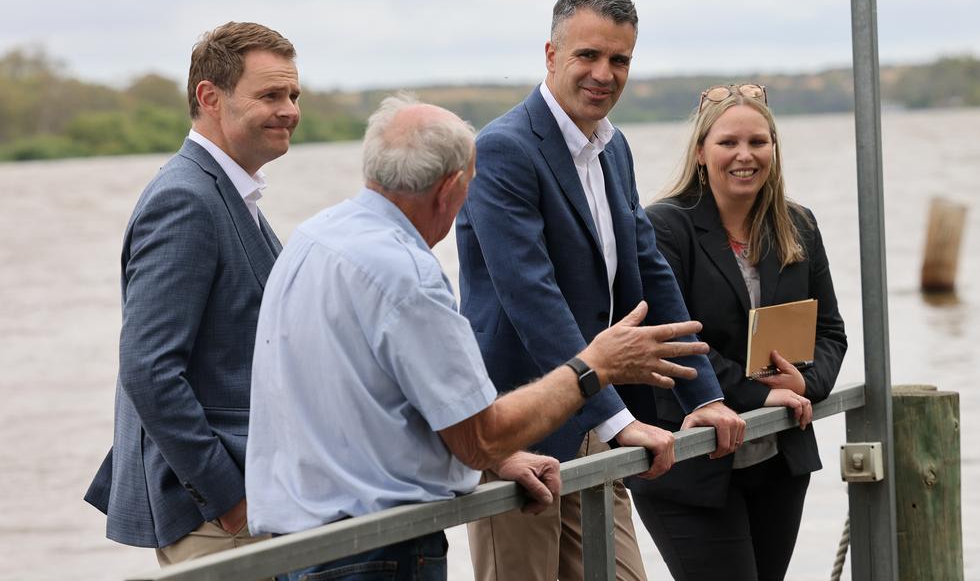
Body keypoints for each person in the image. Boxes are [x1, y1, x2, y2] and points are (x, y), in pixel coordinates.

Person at [245, 95, 710, 581]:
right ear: (449, 191)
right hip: (377, 549)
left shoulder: (314, 238)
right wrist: (595, 366)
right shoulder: (408, 276)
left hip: (296, 547)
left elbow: (366, 397)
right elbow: (479, 436)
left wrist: (500, 456)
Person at [456, 0, 746, 581]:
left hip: (591, 420)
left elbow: (650, 275)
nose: (603, 74)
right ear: (551, 54)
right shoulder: (503, 149)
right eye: (588, 55)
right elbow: (531, 299)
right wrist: (620, 420)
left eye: (619, 60)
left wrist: (706, 398)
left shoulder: (613, 147)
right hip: (516, 429)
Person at [84, 22, 301, 570]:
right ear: (210, 97)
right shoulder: (185, 200)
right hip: (218, 520)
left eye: (294, 94)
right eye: (271, 95)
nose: (291, 110)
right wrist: (230, 501)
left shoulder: (229, 190)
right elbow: (149, 369)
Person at [636, 83, 848, 581]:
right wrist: (760, 394)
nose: (744, 155)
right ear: (701, 152)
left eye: (758, 142)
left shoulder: (798, 225)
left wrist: (802, 385)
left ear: (774, 149)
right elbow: (673, 342)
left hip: (778, 459)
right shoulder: (664, 227)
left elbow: (831, 333)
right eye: (729, 142)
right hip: (690, 464)